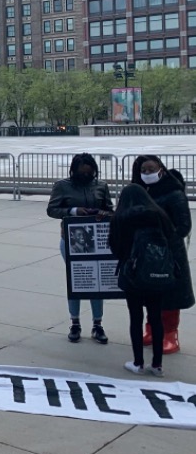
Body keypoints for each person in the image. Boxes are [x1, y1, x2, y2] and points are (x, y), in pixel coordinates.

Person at [109, 184, 180, 377]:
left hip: (133, 275)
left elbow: (114, 246)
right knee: (156, 317)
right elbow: (172, 240)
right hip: (158, 273)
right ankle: (157, 365)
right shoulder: (159, 215)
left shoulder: (121, 217)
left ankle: (138, 362)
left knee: (136, 318)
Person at [46, 153, 114, 344]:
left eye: (90, 173)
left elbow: (110, 208)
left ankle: (97, 324)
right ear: (74, 171)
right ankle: (74, 322)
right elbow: (52, 209)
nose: (86, 176)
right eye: (82, 173)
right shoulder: (62, 186)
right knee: (76, 280)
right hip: (71, 241)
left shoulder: (101, 186)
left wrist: (104, 213)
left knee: (96, 283)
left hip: (97, 242)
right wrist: (74, 211)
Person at [132, 155, 194, 354]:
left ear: (161, 169)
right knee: (150, 292)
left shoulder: (173, 193)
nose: (148, 173)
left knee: (169, 294)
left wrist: (163, 240)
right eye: (144, 170)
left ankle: (170, 333)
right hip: (145, 251)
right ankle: (151, 329)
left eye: (151, 169)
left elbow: (184, 225)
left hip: (168, 253)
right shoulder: (141, 192)